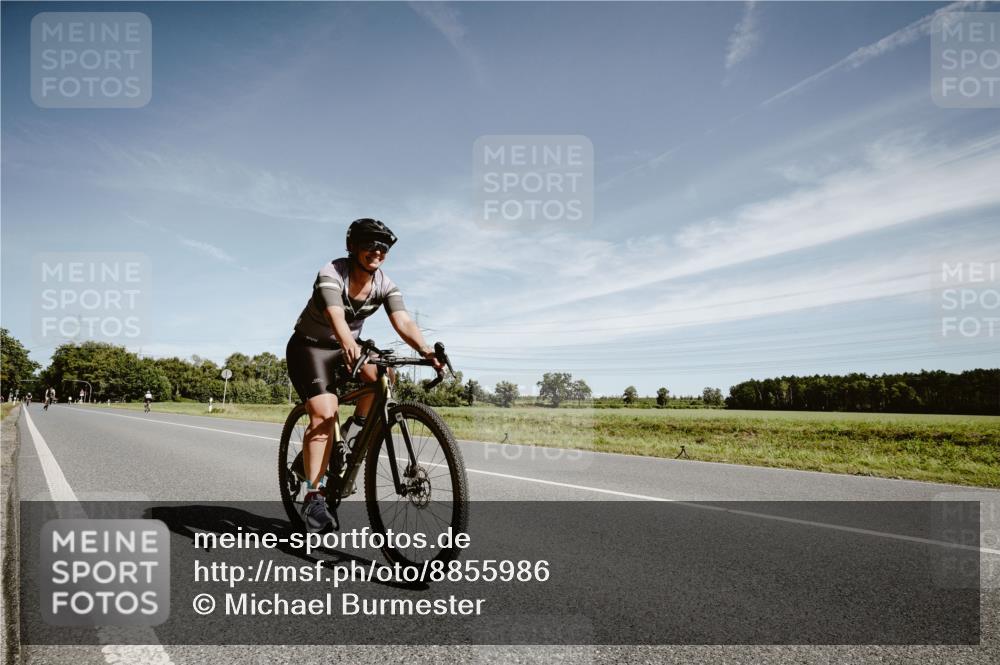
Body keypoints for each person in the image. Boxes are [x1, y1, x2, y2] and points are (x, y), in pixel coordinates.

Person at [286, 218, 441, 533]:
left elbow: (403, 321)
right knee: (324, 414)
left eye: (383, 246)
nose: (377, 251)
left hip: (349, 345)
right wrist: (347, 344)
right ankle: (314, 496)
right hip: (310, 348)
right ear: (352, 246)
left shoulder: (384, 283)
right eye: (370, 244)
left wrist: (427, 350)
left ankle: (354, 433)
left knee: (385, 378)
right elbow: (336, 316)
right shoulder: (332, 273)